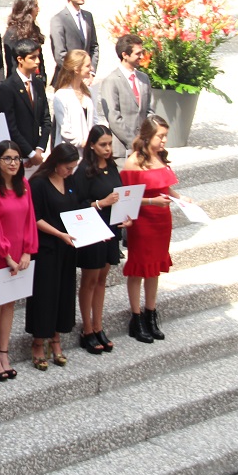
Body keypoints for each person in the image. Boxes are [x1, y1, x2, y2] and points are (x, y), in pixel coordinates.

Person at [121, 115, 190, 343]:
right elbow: (126, 198)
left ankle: (151, 314)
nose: (164, 141)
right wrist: (152, 202)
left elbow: (166, 187)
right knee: (139, 268)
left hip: (162, 220)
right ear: (148, 135)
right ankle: (136, 318)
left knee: (154, 269)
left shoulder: (159, 157)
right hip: (142, 221)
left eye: (165, 136)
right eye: (160, 136)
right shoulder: (133, 162)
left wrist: (182, 199)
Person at [0, 140, 38, 380]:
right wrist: (8, 256)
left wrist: (27, 251)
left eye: (16, 158)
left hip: (19, 254)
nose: (13, 163)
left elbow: (30, 218)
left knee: (10, 302)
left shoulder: (24, 184)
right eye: (7, 159)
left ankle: (4, 350)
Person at [73, 125, 132, 355]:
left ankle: (98, 324)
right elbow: (76, 206)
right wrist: (101, 203)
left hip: (110, 228)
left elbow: (121, 194)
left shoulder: (112, 166)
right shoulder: (84, 171)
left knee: (102, 278)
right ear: (92, 146)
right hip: (92, 229)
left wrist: (126, 214)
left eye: (109, 144)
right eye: (103, 145)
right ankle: (87, 328)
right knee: (90, 278)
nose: (108, 149)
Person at [26, 143, 80, 370]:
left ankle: (56, 339)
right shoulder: (38, 183)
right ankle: (38, 343)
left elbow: (78, 209)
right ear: (56, 164)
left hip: (67, 247)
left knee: (63, 293)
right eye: (67, 167)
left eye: (73, 168)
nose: (70, 172)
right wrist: (59, 234)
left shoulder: (69, 182)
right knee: (44, 296)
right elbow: (34, 217)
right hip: (47, 246)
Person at [0, 39, 52, 170]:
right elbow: (10, 126)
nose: (37, 61)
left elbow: (46, 119)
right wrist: (30, 153)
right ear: (20, 59)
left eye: (38, 57)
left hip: (36, 154)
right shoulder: (7, 87)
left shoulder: (38, 84)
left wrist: (39, 149)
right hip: (17, 156)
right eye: (32, 58)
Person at [97, 34, 153, 161]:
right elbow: (113, 117)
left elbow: (149, 110)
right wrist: (133, 142)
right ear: (125, 55)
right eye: (138, 53)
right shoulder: (111, 81)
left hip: (144, 148)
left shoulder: (144, 79)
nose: (142, 57)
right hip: (122, 151)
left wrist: (147, 139)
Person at [49, 0, 99, 84]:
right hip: (67, 80)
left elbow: (94, 46)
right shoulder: (58, 19)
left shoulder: (88, 16)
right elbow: (60, 54)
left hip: (87, 79)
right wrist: (78, 74)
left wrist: (91, 71)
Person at [52, 50, 95, 157]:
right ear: (76, 69)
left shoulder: (89, 92)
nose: (91, 69)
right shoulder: (61, 95)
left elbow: (95, 119)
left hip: (88, 153)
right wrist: (83, 143)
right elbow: (65, 129)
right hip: (69, 154)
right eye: (88, 66)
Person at [2, 0, 48, 87]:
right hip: (20, 84)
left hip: (36, 80)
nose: (38, 10)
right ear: (27, 9)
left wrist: (43, 78)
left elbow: (40, 57)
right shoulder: (12, 33)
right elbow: (12, 63)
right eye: (35, 6)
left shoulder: (34, 29)